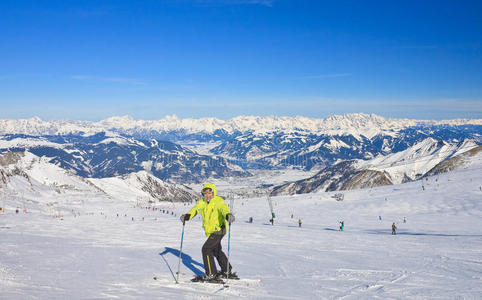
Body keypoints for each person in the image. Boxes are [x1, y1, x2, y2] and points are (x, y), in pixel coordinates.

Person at [180, 184, 237, 282]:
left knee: (206, 249)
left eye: (209, 193)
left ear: (213, 193)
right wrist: (187, 216)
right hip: (212, 231)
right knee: (216, 250)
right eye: (205, 193)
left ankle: (211, 274)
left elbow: (224, 209)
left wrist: (228, 215)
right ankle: (226, 270)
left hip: (219, 230)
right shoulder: (202, 202)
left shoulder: (218, 201)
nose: (207, 195)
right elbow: (195, 210)